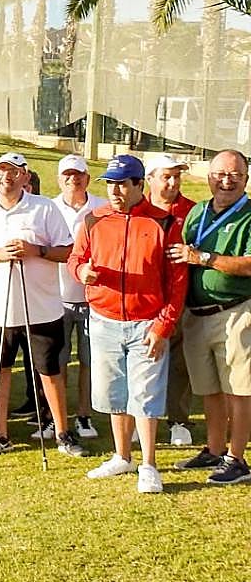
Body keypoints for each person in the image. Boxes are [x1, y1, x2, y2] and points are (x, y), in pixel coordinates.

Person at [69, 155, 186, 494]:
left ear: (139, 185)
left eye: (123, 183)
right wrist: (81, 272)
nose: (115, 190)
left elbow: (177, 282)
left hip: (147, 322)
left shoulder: (164, 223)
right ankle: (123, 456)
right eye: (110, 183)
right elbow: (77, 258)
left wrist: (163, 326)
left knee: (145, 395)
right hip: (104, 320)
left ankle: (148, 464)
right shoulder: (94, 220)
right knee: (114, 393)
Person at [0, 153, 84, 458]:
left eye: (14, 172)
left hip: (42, 309)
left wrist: (36, 250)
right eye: (2, 171)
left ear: (24, 177)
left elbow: (67, 251)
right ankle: (0, 434)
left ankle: (62, 433)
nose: (7, 176)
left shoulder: (44, 207)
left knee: (50, 372)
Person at [169, 149, 251, 485]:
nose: (227, 180)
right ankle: (215, 450)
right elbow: (179, 255)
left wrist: (204, 257)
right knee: (209, 388)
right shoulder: (198, 212)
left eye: (235, 174)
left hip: (235, 312)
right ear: (209, 177)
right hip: (197, 313)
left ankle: (237, 459)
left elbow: (248, 265)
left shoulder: (249, 213)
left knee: (239, 390)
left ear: (245, 179)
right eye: (220, 174)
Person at [53, 154, 107, 441]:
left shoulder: (101, 207)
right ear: (59, 179)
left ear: (87, 178)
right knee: (57, 361)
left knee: (89, 360)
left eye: (79, 174)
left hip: (93, 299)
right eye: (67, 175)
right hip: (55, 298)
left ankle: (84, 415)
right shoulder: (48, 208)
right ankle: (56, 417)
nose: (73, 179)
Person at [145, 153, 197, 446]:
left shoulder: (193, 211)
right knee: (145, 361)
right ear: (150, 179)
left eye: (177, 176)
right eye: (167, 176)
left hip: (182, 299)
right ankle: (143, 418)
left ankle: (178, 420)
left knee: (179, 362)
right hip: (143, 300)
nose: (173, 182)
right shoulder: (137, 209)